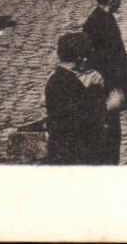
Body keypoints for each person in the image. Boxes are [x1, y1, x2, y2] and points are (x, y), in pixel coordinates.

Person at [82, 0, 127, 164]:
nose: (120, 4)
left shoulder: (101, 18)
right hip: (107, 87)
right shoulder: (101, 23)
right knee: (110, 131)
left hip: (108, 85)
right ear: (112, 1)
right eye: (118, 1)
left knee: (111, 129)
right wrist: (114, 88)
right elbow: (106, 60)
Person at [46, 32, 107, 164]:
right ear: (82, 59)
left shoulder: (53, 79)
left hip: (57, 148)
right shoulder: (81, 85)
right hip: (78, 151)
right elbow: (86, 117)